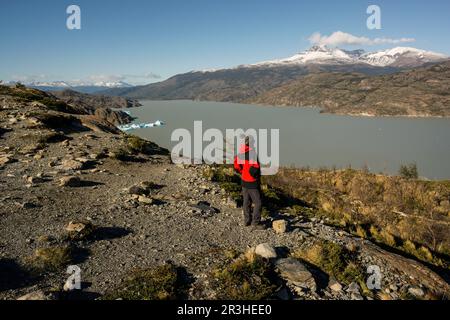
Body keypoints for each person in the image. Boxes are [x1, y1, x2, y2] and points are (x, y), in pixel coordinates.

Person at [234, 137, 265, 230]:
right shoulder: (252, 154)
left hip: (244, 181)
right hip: (252, 183)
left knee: (246, 201)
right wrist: (254, 176)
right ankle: (255, 223)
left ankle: (246, 221)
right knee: (258, 203)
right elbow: (255, 168)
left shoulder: (240, 152)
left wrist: (242, 171)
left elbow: (236, 164)